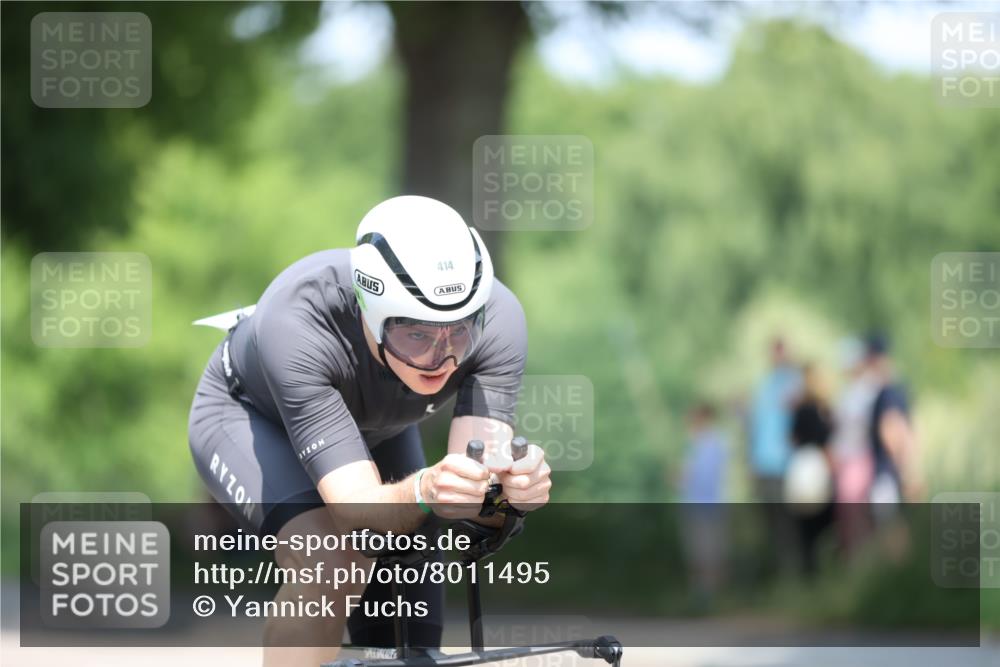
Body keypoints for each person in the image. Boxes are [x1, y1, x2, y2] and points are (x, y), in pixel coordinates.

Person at [187, 196, 551, 667]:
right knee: (330, 566)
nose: (442, 359)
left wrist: (508, 495)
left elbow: (470, 503)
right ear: (368, 310)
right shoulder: (297, 319)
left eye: (459, 331)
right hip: (249, 416)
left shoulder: (500, 319)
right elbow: (356, 510)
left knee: (411, 623)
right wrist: (423, 489)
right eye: (415, 335)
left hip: (377, 427)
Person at [748, 337, 801, 572]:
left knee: (790, 518)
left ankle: (796, 569)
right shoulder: (765, 385)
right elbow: (756, 426)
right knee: (771, 519)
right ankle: (781, 569)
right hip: (765, 463)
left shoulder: (795, 383)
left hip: (786, 463)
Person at [677, 402, 728, 611]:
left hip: (706, 507)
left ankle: (709, 600)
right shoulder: (696, 445)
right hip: (696, 506)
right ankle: (701, 598)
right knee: (697, 555)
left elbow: (704, 478)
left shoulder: (710, 444)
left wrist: (683, 478)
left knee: (708, 555)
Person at [788, 363, 835, 577]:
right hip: (817, 467)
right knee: (823, 518)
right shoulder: (819, 410)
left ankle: (810, 571)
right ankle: (820, 570)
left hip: (802, 466)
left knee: (806, 523)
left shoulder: (801, 409)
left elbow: (792, 438)